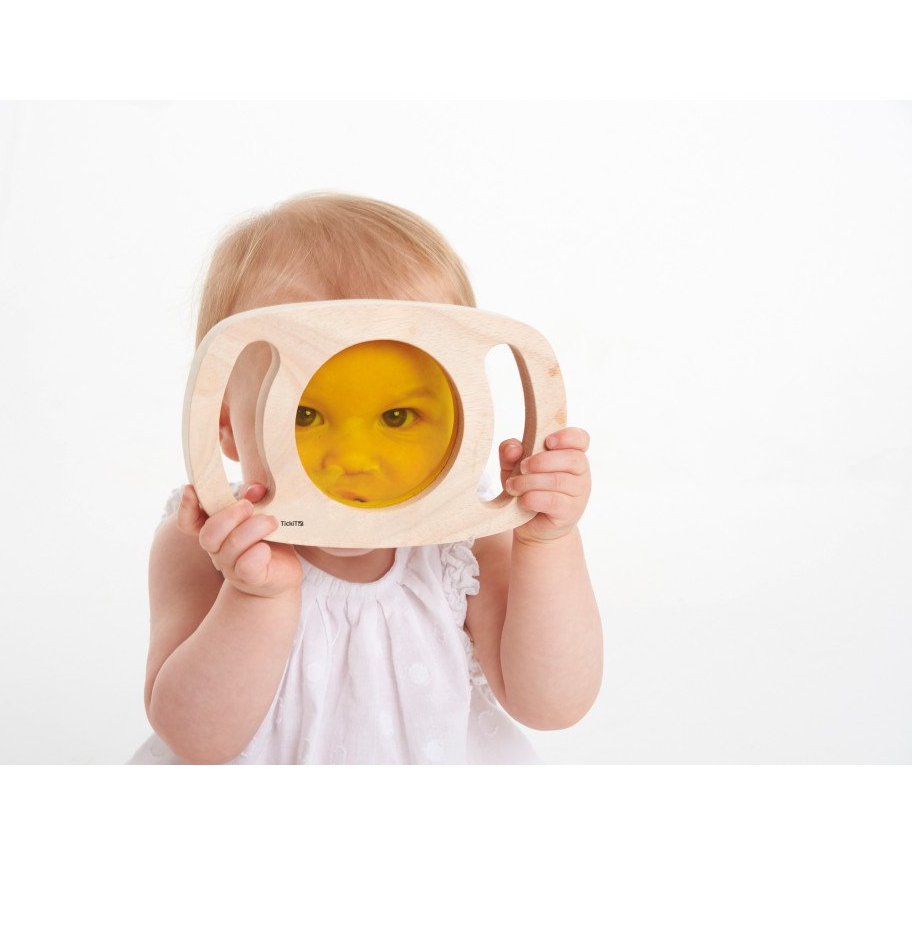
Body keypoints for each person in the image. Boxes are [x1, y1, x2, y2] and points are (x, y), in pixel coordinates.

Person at [127, 192, 602, 765]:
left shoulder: (467, 545)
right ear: (224, 426)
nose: (353, 458)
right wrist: (255, 597)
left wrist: (548, 544)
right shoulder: (206, 540)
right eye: (305, 415)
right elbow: (196, 740)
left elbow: (552, 705)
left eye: (395, 416)